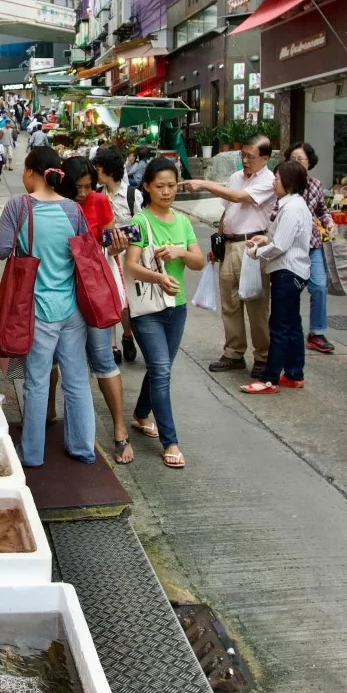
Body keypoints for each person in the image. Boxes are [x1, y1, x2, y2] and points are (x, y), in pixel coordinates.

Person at [0, 147, 96, 468]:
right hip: (72, 309)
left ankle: (32, 454)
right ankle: (83, 448)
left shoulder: (19, 206)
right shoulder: (73, 209)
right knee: (76, 381)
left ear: (30, 172)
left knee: (36, 382)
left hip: (37, 309)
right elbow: (85, 252)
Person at [125, 157, 204, 468]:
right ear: (147, 187)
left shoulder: (182, 222)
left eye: (172, 185)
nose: (167, 191)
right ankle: (170, 441)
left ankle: (140, 414)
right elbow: (130, 265)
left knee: (161, 370)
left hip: (177, 308)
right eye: (160, 186)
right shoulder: (139, 222)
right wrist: (158, 277)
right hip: (147, 310)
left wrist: (180, 251)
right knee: (161, 370)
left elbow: (198, 262)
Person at [55, 157, 133, 464]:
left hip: (93, 290)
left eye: (89, 186)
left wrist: (116, 246)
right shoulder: (56, 205)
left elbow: (110, 244)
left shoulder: (100, 202)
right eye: (79, 187)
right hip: (61, 291)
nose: (84, 193)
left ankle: (120, 429)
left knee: (102, 359)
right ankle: (49, 418)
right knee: (60, 361)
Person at [183, 135, 276, 377]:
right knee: (230, 303)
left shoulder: (268, 181)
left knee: (256, 305)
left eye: (250, 157)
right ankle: (234, 352)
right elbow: (229, 210)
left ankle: (263, 356)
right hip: (230, 244)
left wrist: (204, 184)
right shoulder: (236, 177)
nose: (245, 161)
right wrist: (218, 239)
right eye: (242, 155)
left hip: (252, 246)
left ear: (265, 158)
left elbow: (239, 197)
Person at [240, 160, 313, 395]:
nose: (274, 183)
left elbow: (280, 245)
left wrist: (257, 252)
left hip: (287, 272)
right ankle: (294, 374)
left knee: (279, 326)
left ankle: (269, 379)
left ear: (288, 182)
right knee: (292, 325)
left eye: (277, 179)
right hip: (294, 271)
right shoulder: (294, 204)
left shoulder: (291, 208)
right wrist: (265, 240)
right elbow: (282, 237)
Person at [285, 141, 337, 354]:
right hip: (289, 246)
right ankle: (289, 331)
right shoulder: (281, 183)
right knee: (290, 290)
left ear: (309, 162)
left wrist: (329, 222)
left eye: (301, 159)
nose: (296, 163)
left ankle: (317, 333)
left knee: (319, 286)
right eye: (293, 159)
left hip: (312, 245)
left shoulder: (315, 185)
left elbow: (322, 210)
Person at [93, 145, 141, 363]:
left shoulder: (132, 195)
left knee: (128, 302)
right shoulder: (96, 195)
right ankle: (112, 345)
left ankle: (127, 336)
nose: (96, 171)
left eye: (99, 167)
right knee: (110, 299)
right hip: (106, 256)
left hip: (129, 257)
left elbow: (141, 226)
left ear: (110, 169)